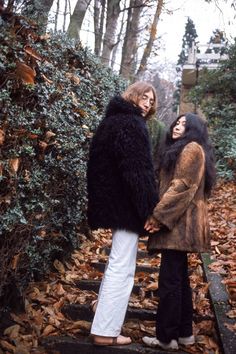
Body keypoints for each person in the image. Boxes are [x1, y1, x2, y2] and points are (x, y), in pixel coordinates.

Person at [87, 81, 159, 346]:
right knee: (122, 267)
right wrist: (149, 210)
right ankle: (106, 331)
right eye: (145, 96)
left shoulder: (111, 121)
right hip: (126, 204)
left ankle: (102, 327)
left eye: (152, 100)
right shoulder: (131, 124)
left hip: (113, 201)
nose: (148, 102)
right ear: (133, 95)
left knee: (118, 263)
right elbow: (137, 171)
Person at [142, 113, 216, 351]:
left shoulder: (191, 149)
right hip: (180, 226)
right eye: (177, 122)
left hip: (179, 226)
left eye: (185, 124)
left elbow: (181, 188)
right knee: (179, 280)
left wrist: (158, 217)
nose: (177, 126)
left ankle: (166, 337)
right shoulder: (186, 149)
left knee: (169, 282)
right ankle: (184, 333)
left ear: (194, 130)